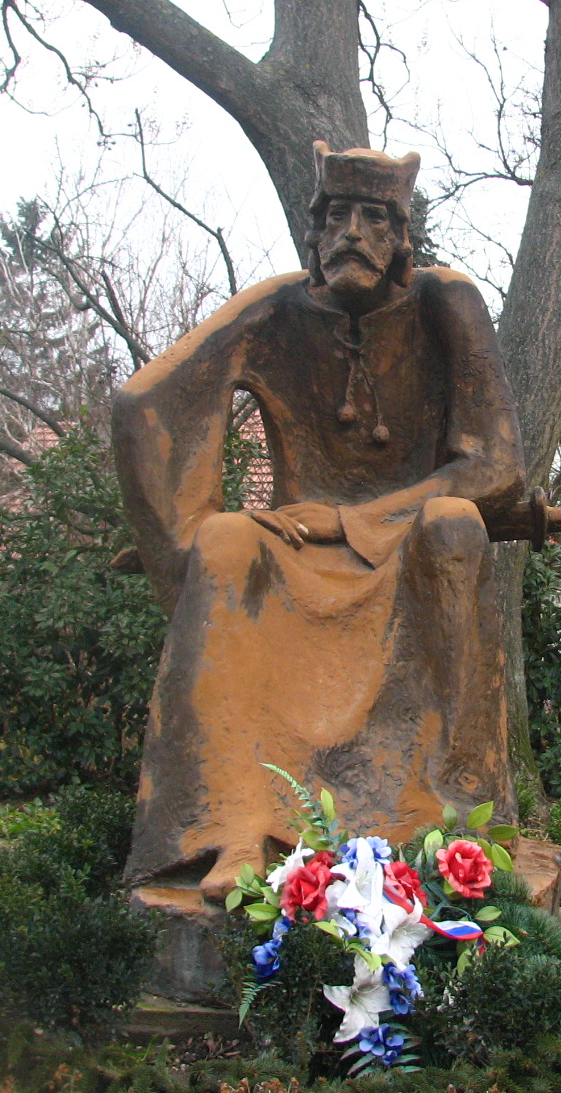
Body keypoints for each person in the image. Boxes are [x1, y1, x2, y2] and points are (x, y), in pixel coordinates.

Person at [113, 143, 526, 905]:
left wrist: (348, 519)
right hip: (294, 544)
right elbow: (146, 404)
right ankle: (235, 826)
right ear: (314, 233)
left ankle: (453, 824)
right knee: (228, 540)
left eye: (375, 218)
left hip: (404, 540)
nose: (353, 234)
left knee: (454, 525)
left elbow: (497, 467)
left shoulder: (445, 300)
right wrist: (183, 545)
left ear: (402, 235)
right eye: (336, 217)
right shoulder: (276, 309)